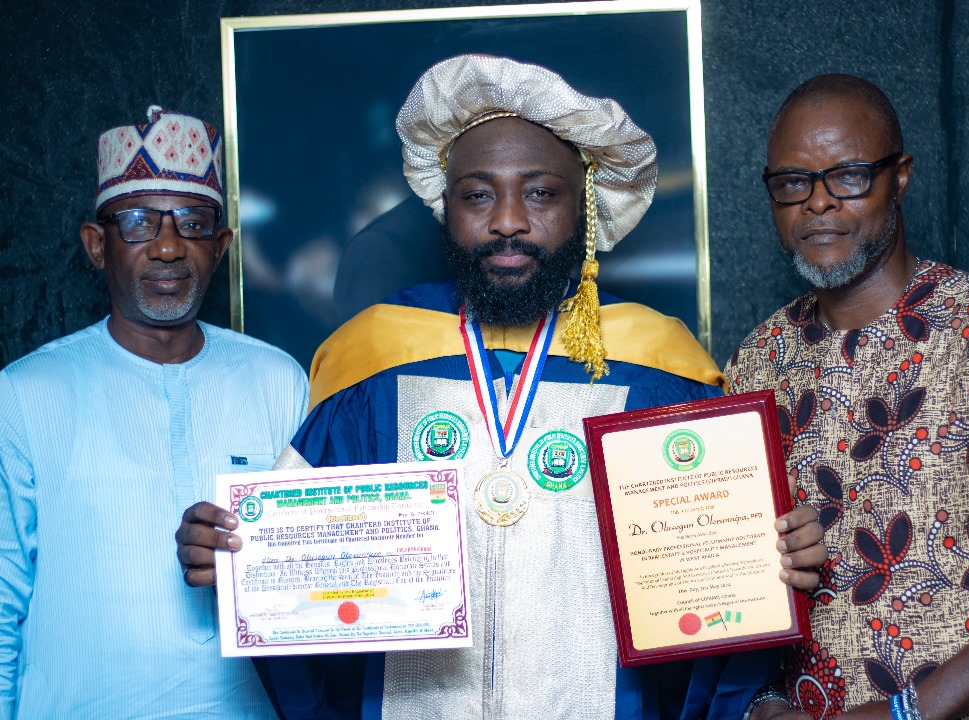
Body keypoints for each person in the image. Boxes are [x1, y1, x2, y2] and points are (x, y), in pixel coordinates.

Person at [177, 55, 826, 719]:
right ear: (445, 208)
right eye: (477, 195)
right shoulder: (372, 362)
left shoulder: (661, 369)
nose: (508, 220)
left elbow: (716, 614)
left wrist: (766, 555)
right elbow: (295, 582)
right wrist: (234, 556)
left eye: (540, 193)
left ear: (584, 208)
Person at [726, 74, 969, 720]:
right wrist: (762, 700)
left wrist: (908, 712)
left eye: (849, 176)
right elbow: (738, 569)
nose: (818, 202)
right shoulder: (757, 360)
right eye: (793, 183)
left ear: (901, 178)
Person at [0, 106, 309, 719]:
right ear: (97, 245)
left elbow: (314, 570)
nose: (169, 247)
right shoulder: (26, 392)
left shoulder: (277, 379)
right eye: (139, 222)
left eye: (193, 224)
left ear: (220, 247)